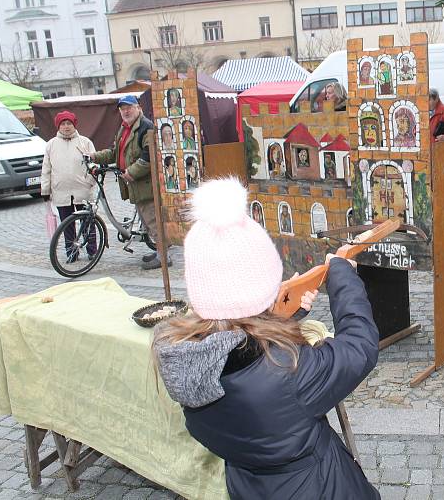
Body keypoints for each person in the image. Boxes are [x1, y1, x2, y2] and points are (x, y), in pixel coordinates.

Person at [153, 178, 380, 500]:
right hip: (318, 488)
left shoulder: (183, 358)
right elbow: (360, 347)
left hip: (248, 486)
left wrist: (279, 319)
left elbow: (237, 343)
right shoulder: (288, 370)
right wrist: (343, 275)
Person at [91, 95, 168, 269]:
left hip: (146, 184)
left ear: (138, 108)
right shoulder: (125, 128)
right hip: (135, 184)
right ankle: (158, 251)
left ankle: (164, 257)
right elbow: (115, 152)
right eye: (122, 109)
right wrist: (95, 156)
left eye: (129, 107)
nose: (125, 111)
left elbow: (150, 156)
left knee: (153, 221)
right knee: (147, 221)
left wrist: (131, 172)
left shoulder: (146, 127)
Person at [41, 110, 97, 263]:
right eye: (63, 124)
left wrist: (92, 183)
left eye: (69, 123)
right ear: (58, 126)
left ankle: (92, 251)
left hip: (83, 190)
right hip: (61, 192)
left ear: (74, 124)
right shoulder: (51, 145)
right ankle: (71, 252)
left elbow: (94, 165)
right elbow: (46, 169)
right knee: (67, 225)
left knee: (87, 223)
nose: (66, 127)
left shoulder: (85, 142)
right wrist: (45, 190)